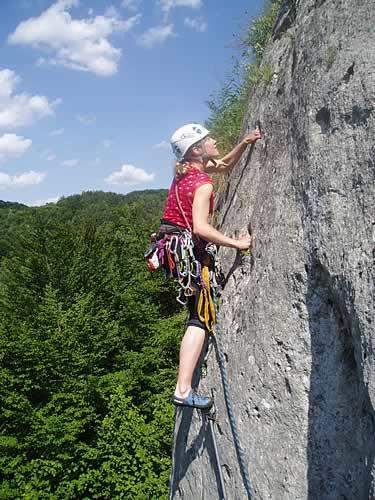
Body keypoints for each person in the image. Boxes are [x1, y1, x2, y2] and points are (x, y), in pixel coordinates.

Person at [160, 123, 261, 409]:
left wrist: (245, 141)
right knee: (199, 318)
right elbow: (201, 228)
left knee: (195, 311)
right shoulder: (201, 183)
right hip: (188, 250)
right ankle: (182, 389)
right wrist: (237, 244)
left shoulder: (188, 173)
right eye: (207, 139)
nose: (214, 140)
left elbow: (224, 165)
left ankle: (183, 383)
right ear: (196, 149)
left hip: (172, 246)